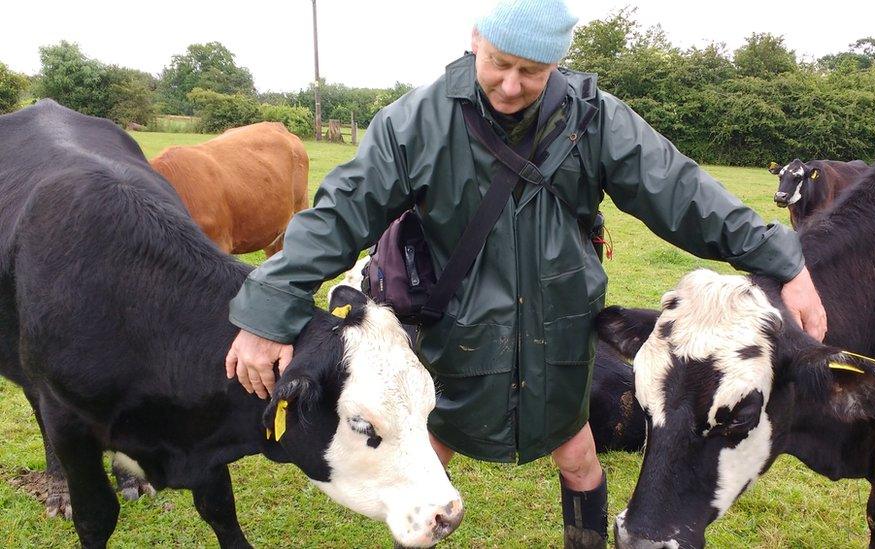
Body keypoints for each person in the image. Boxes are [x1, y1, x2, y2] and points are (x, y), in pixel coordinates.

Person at [224, 0, 827, 546]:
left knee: (580, 459)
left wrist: (783, 258)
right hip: (456, 338)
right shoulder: (416, 123)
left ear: (557, 64)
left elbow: (682, 194)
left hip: (558, 340)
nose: (511, 85)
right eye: (499, 63)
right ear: (475, 38)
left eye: (532, 72)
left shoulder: (594, 120)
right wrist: (268, 308)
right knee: (426, 457)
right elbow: (338, 215)